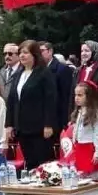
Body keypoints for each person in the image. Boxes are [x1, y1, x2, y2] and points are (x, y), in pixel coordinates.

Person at [6, 40, 59, 170]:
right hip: (22, 128)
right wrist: (9, 124)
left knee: (43, 164)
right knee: (30, 164)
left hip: (39, 128)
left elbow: (50, 100)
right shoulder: (18, 75)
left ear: (34, 54)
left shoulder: (44, 73)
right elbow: (12, 100)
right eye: (20, 53)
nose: (22, 55)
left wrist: (49, 124)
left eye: (25, 52)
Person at [41, 42, 75, 151]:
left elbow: (66, 98)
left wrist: (65, 122)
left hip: (57, 120)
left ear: (50, 51)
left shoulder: (62, 69)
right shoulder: (38, 70)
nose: (39, 54)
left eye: (42, 51)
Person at [69, 82, 98, 178]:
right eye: (75, 95)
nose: (76, 98)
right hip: (79, 148)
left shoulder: (96, 115)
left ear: (88, 97)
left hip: (89, 149)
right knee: (80, 175)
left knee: (93, 175)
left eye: (80, 95)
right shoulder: (79, 112)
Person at [77, 40, 98, 119]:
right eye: (82, 51)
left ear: (95, 52)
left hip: (97, 113)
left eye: (87, 51)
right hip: (80, 112)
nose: (83, 53)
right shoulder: (79, 70)